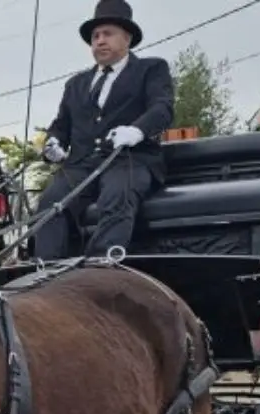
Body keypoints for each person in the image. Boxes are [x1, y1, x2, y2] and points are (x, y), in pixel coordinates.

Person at [33, 0, 174, 260]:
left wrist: (136, 131)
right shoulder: (76, 84)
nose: (99, 41)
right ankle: (45, 272)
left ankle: (99, 271)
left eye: (107, 34)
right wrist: (53, 143)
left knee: (117, 198)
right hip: (80, 166)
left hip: (128, 160)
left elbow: (162, 109)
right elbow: (61, 124)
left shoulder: (151, 69)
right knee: (49, 205)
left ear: (127, 38)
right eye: (95, 36)